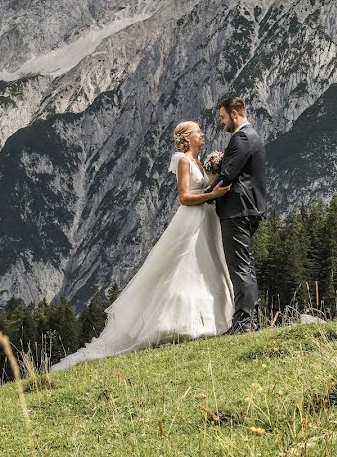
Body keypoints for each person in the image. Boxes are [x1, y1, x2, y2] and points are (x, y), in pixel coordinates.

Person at [50, 121, 233, 371]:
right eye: (198, 131)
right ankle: (180, 324)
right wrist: (212, 195)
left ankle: (208, 322)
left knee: (206, 266)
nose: (202, 134)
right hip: (192, 219)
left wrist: (215, 183)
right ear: (187, 138)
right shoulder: (182, 160)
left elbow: (201, 188)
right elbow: (184, 197)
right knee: (184, 268)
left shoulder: (199, 162)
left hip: (206, 220)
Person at [206, 97, 268, 334]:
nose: (222, 123)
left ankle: (243, 323)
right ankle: (250, 319)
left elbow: (227, 174)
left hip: (237, 210)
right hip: (247, 209)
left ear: (234, 114)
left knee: (239, 266)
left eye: (222, 117)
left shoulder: (242, 137)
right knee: (246, 265)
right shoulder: (252, 137)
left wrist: (203, 197)